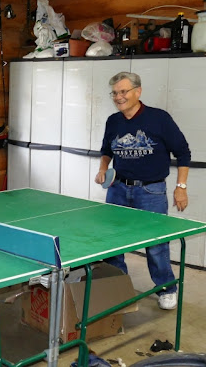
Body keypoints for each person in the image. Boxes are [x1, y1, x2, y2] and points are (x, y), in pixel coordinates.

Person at [94, 71, 190, 311]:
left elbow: (183, 153)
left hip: (151, 191)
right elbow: (106, 150)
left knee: (156, 244)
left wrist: (181, 187)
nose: (118, 97)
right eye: (115, 93)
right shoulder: (113, 121)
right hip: (117, 189)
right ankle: (119, 286)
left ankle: (167, 289)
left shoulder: (159, 119)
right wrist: (103, 168)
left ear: (138, 91)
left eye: (123, 91)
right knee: (113, 242)